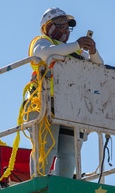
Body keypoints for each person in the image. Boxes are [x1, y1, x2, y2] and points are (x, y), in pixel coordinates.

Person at [26, 7, 104, 178]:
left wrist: (92, 51)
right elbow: (45, 54)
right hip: (45, 102)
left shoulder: (74, 52)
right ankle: (39, 185)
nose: (64, 29)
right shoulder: (42, 41)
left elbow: (99, 68)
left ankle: (62, 187)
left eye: (67, 25)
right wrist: (76, 45)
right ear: (48, 26)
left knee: (70, 152)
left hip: (71, 106)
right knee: (46, 148)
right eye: (60, 24)